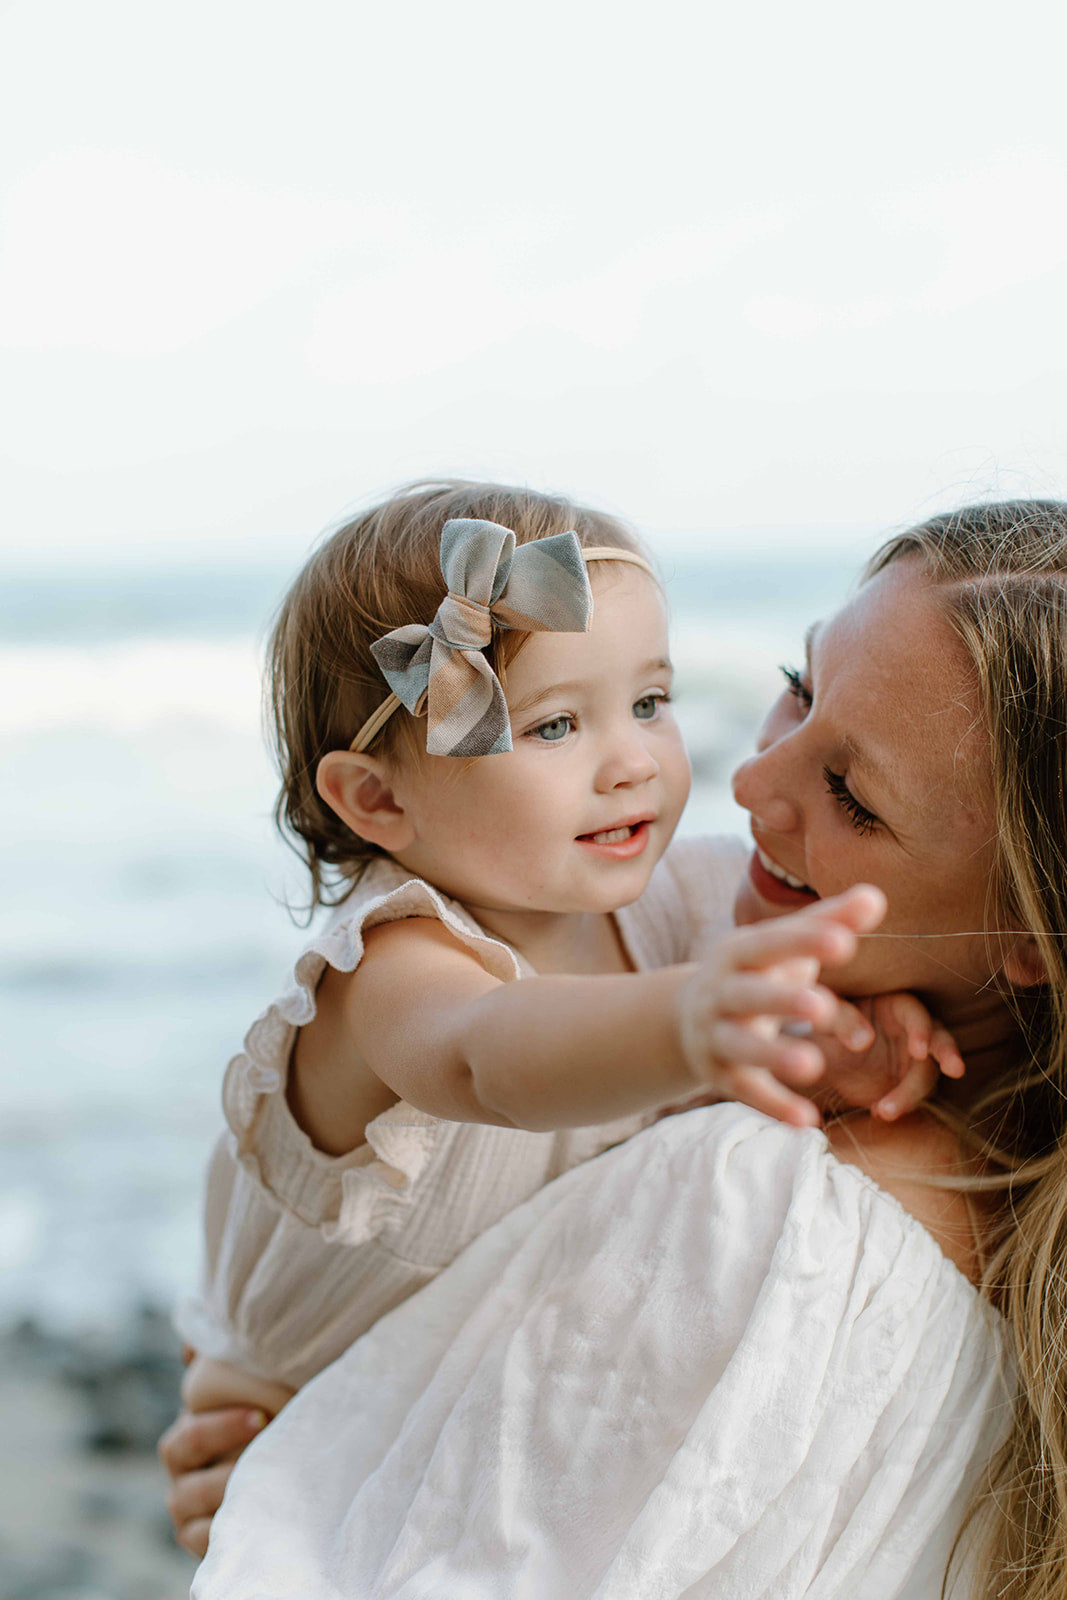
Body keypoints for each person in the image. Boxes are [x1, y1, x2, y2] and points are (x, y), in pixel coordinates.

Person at [172, 499, 1067, 1597]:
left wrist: (820, 1039)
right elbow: (485, 1055)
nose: (722, 780)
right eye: (795, 687)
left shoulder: (681, 911)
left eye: (650, 702)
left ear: (1029, 934)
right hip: (303, 1370)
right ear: (376, 800)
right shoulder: (392, 964)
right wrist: (699, 1023)